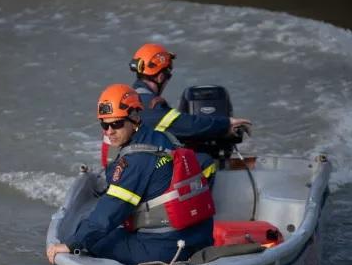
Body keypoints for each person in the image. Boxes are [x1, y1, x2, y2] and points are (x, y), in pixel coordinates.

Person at [46, 84, 215, 265]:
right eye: (104, 124)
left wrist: (72, 244)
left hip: (164, 247)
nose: (109, 131)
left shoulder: (135, 160)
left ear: (134, 117)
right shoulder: (163, 138)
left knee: (93, 237)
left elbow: (110, 210)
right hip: (199, 238)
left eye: (116, 124)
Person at [100, 43, 253, 178]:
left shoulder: (129, 99)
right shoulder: (150, 105)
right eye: (168, 75)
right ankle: (200, 202)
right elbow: (188, 125)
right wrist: (226, 124)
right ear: (161, 77)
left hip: (120, 165)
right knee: (204, 161)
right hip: (130, 169)